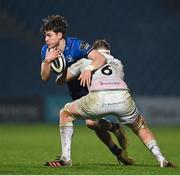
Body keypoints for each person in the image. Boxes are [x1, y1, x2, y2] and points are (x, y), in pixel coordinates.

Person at [47, 39, 175, 168]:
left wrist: (59, 67)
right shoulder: (118, 63)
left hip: (99, 97)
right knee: (140, 127)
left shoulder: (85, 61)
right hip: (123, 97)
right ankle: (162, 159)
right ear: (109, 52)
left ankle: (66, 159)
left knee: (65, 113)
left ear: (93, 52)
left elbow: (60, 81)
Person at [40, 15, 131, 167]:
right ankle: (115, 136)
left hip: (92, 84)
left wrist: (89, 69)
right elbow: (44, 77)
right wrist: (47, 61)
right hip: (75, 88)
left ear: (59, 35)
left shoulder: (76, 45)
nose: (46, 39)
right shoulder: (46, 50)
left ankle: (65, 159)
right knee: (93, 124)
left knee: (87, 122)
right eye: (45, 35)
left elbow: (100, 59)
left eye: (49, 35)